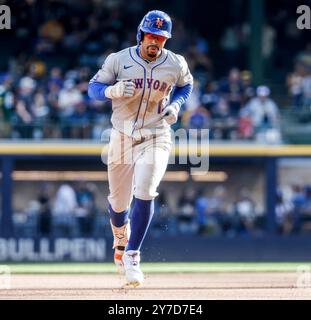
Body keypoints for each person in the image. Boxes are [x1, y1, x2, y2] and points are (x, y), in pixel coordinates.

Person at [88, 10, 193, 286]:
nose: (155, 41)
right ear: (140, 34)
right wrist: (110, 91)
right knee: (118, 204)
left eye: (160, 37)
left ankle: (132, 255)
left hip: (156, 134)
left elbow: (186, 85)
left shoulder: (175, 63)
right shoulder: (118, 60)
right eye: (150, 35)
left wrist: (176, 105)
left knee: (145, 189)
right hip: (122, 135)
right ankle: (120, 236)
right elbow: (93, 87)